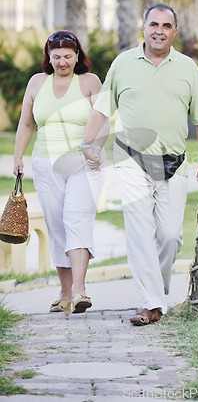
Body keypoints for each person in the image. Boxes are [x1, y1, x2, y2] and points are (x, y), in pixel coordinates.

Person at [82, 3, 198, 325]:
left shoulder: (187, 68)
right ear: (143, 28)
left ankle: (156, 291)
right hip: (131, 159)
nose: (159, 30)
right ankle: (152, 303)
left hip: (173, 162)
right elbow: (102, 109)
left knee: (170, 236)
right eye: (153, 24)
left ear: (174, 32)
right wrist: (89, 144)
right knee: (140, 233)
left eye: (166, 26)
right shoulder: (123, 63)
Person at [13, 30, 108, 314]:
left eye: (68, 56)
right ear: (48, 57)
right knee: (56, 227)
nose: (62, 62)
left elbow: (103, 121)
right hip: (45, 164)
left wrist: (95, 147)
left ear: (78, 55)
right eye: (56, 57)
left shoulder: (89, 82)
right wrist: (18, 157)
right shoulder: (36, 82)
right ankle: (64, 293)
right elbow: (26, 124)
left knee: (75, 220)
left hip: (83, 163)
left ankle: (80, 291)